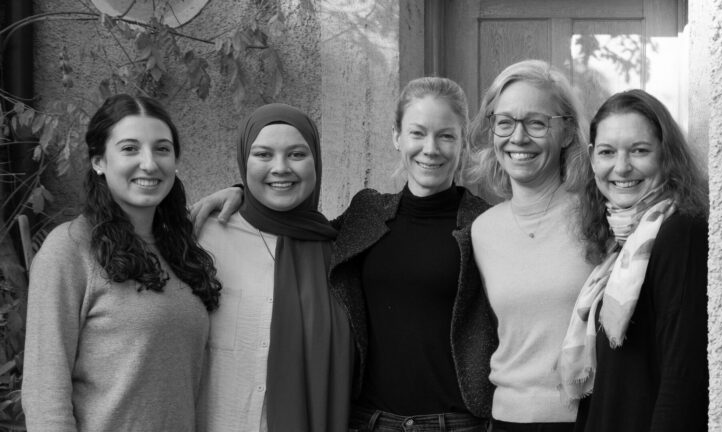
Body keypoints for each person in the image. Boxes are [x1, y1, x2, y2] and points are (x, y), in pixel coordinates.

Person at [190, 77, 496, 431]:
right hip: (370, 422)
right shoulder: (367, 213)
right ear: (396, 136)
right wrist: (242, 193)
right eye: (417, 133)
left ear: (463, 142)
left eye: (446, 136)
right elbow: (298, 226)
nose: (431, 149)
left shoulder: (486, 225)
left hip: (456, 424)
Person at [22, 94, 222, 432]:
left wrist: (238, 192)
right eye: (130, 148)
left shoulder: (180, 249)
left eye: (162, 149)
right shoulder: (69, 249)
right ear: (99, 161)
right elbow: (45, 395)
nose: (149, 163)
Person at [558, 89, 710, 431]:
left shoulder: (680, 232)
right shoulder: (622, 244)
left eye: (639, 150)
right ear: (592, 158)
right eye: (607, 152)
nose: (621, 167)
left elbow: (683, 376)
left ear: (666, 155)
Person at [197, 103, 352, 432]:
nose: (280, 168)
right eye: (263, 155)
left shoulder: (342, 253)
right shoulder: (200, 237)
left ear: (316, 161)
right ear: (244, 160)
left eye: (296, 154)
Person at [467, 59, 596, 432]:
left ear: (567, 132)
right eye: (505, 122)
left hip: (585, 418)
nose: (518, 138)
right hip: (507, 419)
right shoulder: (481, 231)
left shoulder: (596, 218)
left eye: (536, 123)